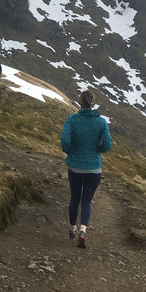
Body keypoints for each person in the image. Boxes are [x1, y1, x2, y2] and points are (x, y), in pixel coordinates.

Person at [60, 89, 112, 248]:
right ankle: (83, 230)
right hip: (94, 169)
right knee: (87, 200)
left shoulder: (72, 119)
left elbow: (64, 140)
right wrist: (97, 151)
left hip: (75, 166)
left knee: (74, 198)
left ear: (80, 102)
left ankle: (72, 228)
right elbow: (107, 144)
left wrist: (69, 151)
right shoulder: (101, 122)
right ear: (92, 103)